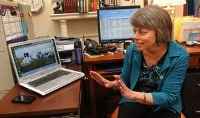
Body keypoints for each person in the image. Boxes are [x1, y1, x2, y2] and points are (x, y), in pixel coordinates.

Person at [90, 5, 189, 118]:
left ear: (160, 32)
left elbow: (169, 97)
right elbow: (125, 80)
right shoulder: (133, 49)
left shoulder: (180, 55)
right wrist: (111, 84)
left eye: (142, 32)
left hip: (164, 106)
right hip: (134, 101)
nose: (135, 37)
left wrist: (133, 94)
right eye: (134, 31)